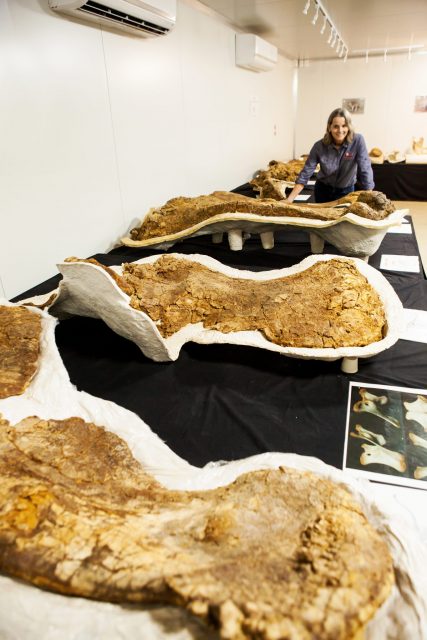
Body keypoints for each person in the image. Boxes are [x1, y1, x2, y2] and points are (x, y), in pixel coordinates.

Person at [285, 108, 374, 204]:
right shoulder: (319, 146)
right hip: (323, 191)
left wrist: (369, 197)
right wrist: (289, 199)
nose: (340, 130)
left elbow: (365, 168)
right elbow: (306, 172)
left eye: (344, 126)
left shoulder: (357, 141)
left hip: (346, 191)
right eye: (336, 126)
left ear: (349, 126)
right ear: (329, 127)